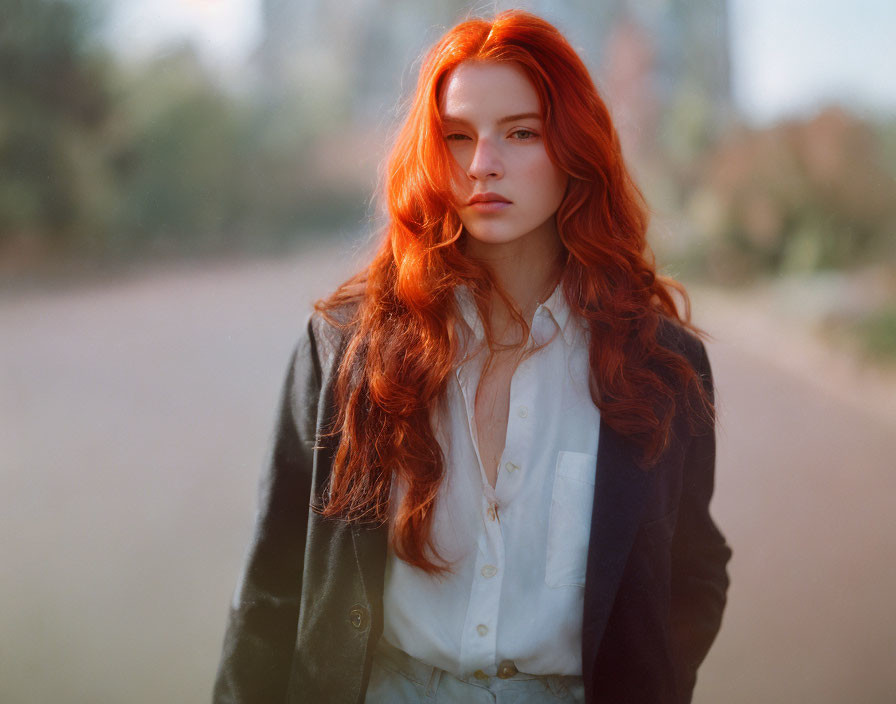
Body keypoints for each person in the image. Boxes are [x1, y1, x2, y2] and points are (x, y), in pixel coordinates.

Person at [213, 10, 731, 704]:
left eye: (521, 132)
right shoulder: (346, 347)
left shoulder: (660, 365)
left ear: (576, 149)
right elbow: (273, 585)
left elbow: (693, 571)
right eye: (458, 137)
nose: (483, 163)